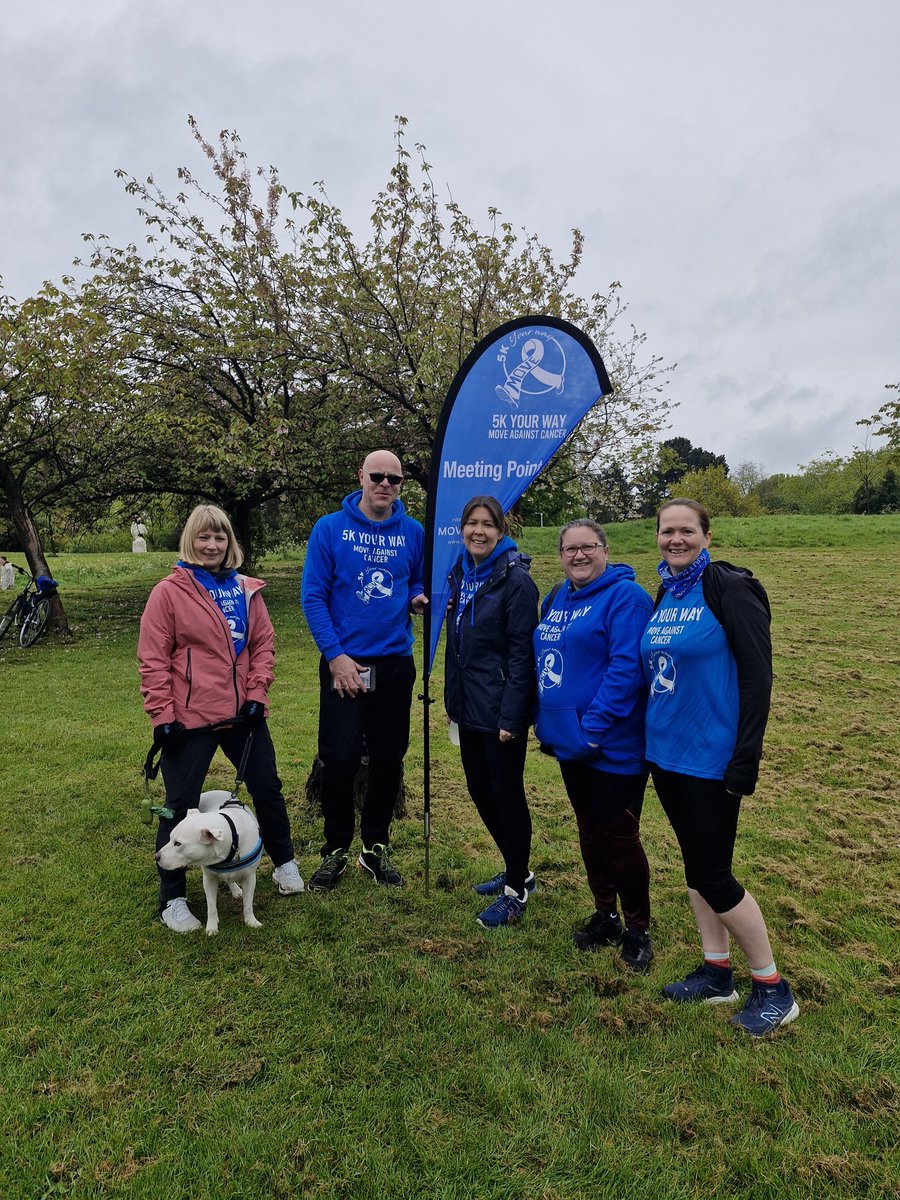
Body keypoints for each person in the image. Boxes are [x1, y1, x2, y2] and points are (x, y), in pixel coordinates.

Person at [641, 498, 799, 1036]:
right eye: (667, 531)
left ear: (707, 536)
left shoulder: (729, 588)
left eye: (687, 531)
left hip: (713, 759)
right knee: (694, 866)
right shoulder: (666, 591)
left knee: (714, 872)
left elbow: (758, 678)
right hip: (666, 756)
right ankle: (716, 971)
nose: (676, 540)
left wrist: (745, 758)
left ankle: (774, 987)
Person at [138, 504, 303, 932]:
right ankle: (172, 897)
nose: (212, 545)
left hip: (244, 715)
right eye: (203, 537)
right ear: (190, 540)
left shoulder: (247, 588)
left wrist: (257, 693)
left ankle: (284, 864)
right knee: (178, 806)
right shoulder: (169, 592)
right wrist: (162, 717)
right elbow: (153, 659)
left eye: (220, 538)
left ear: (230, 543)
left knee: (267, 787)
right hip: (189, 718)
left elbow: (262, 644)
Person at [301, 450, 426, 890]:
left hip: (394, 662)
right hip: (344, 663)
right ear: (361, 477)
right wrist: (335, 657)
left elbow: (417, 579)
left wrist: (417, 597)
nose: (385, 484)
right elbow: (313, 596)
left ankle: (375, 847)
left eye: (395, 478)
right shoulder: (329, 529)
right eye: (378, 476)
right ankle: (335, 848)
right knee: (340, 758)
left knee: (389, 758)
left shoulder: (413, 532)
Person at [534, 519, 655, 972]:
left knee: (618, 835)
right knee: (589, 830)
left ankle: (638, 929)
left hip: (613, 745)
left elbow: (627, 668)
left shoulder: (626, 598)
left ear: (606, 550)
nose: (579, 555)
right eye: (570, 549)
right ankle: (605, 914)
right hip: (568, 741)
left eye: (588, 547)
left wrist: (594, 727)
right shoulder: (557, 596)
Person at [444, 496, 539, 928]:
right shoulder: (461, 573)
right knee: (479, 789)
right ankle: (517, 868)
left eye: (487, 525)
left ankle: (516, 890)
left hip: (500, 708)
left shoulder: (515, 580)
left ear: (501, 531)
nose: (478, 531)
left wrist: (512, 716)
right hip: (469, 704)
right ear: (461, 528)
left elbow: (523, 654)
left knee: (506, 793)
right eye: (471, 523)